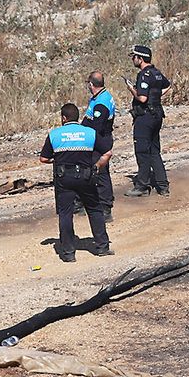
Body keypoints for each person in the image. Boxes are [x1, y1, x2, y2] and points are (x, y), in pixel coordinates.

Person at [39, 103, 111, 262]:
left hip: (64, 178)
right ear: (77, 117)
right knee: (94, 210)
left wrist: (56, 160)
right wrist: (97, 167)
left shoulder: (54, 134)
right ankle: (102, 247)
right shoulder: (89, 133)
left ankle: (69, 253)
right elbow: (107, 152)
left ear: (63, 118)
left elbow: (43, 158)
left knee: (65, 214)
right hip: (86, 176)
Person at [126, 44, 170, 197]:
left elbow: (142, 98)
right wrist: (156, 96)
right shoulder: (156, 73)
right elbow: (167, 86)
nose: (133, 59)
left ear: (140, 58)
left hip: (145, 117)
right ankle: (163, 185)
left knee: (142, 152)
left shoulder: (144, 75)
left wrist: (132, 89)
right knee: (154, 151)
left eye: (134, 57)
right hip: (157, 114)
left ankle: (142, 186)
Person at [84, 72, 116, 220]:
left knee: (100, 172)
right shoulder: (99, 97)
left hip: (100, 140)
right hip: (98, 138)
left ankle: (105, 207)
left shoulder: (101, 102)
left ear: (91, 84)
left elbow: (97, 126)